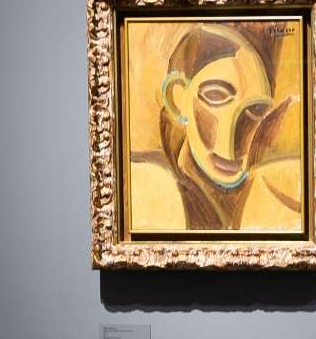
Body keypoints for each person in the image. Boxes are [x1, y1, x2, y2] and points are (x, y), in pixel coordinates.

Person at [129, 22, 302, 233]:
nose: (232, 142)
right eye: (216, 95)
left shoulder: (275, 193)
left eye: (256, 110)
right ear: (177, 98)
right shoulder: (149, 186)